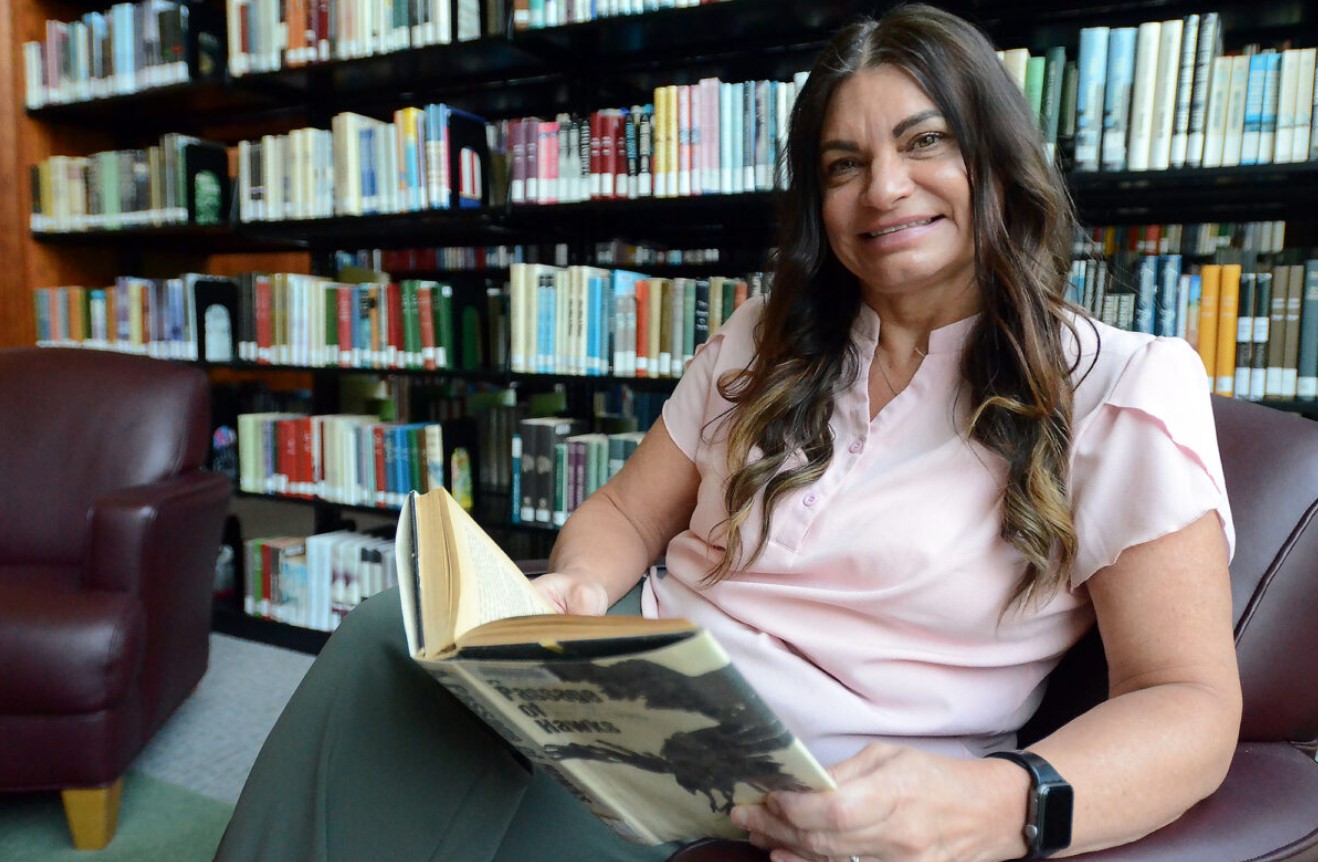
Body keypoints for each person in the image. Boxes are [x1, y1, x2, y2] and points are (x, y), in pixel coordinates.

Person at [213, 5, 1241, 862]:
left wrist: (1002, 801)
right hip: (639, 685)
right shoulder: (765, 335)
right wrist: (577, 584)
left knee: (491, 810)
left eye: (925, 141)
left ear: (998, 156)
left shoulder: (1121, 386)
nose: (884, 188)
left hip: (806, 767)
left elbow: (1188, 702)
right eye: (843, 163)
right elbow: (627, 513)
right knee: (384, 635)